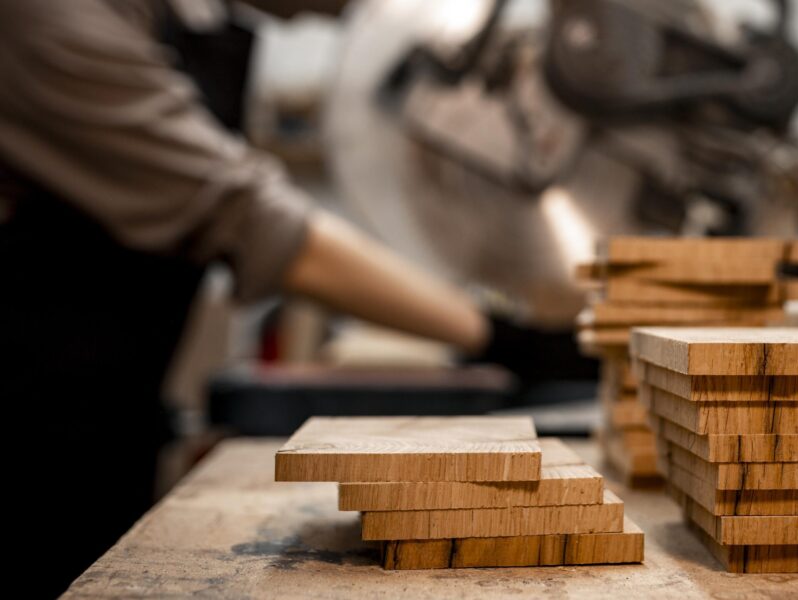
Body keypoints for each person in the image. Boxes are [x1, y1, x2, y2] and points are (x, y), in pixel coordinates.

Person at [0, 1, 488, 595]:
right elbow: (255, 223)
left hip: (110, 413)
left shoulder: (184, 20)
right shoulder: (47, 20)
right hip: (25, 438)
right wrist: (491, 332)